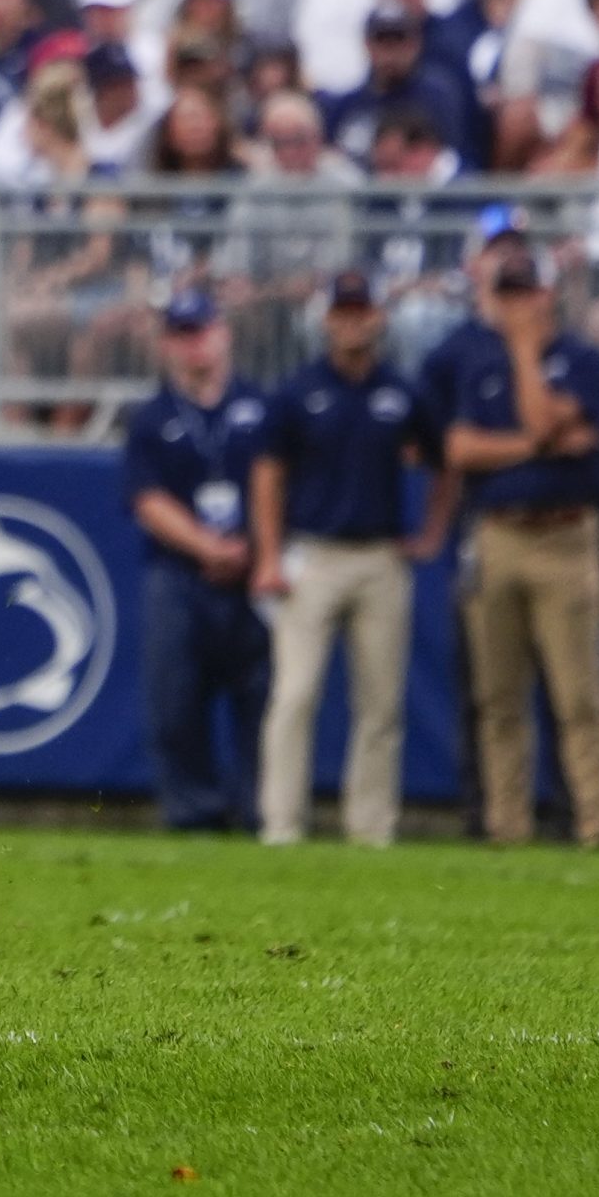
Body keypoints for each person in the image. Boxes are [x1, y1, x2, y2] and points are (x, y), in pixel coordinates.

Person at [251, 272, 453, 848]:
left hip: (380, 555)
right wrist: (269, 554)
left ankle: (370, 827)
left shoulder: (400, 391)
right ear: (326, 320)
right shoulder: (298, 391)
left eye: (360, 311)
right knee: (295, 694)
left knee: (380, 702)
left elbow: (445, 459)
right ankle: (282, 824)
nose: (351, 322)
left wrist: (432, 531)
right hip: (312, 554)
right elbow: (268, 473)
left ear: (378, 317)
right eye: (342, 312)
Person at [444, 249, 599, 846]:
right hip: (498, 532)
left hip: (564, 534)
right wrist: (536, 443)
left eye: (528, 292)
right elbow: (463, 449)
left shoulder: (581, 358)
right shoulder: (478, 361)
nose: (518, 305)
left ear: (548, 295)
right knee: (498, 698)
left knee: (579, 697)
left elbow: (543, 418)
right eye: (508, 293)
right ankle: (506, 827)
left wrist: (525, 356)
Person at [123, 290, 271, 834]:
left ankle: (261, 808)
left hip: (254, 573)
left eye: (201, 331)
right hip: (180, 573)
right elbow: (145, 498)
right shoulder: (153, 416)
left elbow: (278, 484)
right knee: (175, 699)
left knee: (262, 697)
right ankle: (192, 811)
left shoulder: (259, 406)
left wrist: (253, 545)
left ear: (224, 332)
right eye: (182, 335)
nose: (194, 345)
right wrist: (208, 547)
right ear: (166, 344)